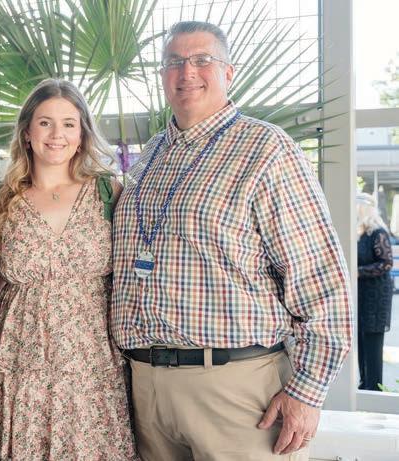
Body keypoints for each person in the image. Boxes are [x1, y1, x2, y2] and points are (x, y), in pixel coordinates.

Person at [111, 21, 352, 461]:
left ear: (228, 72)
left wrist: (307, 392)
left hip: (237, 389)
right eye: (174, 62)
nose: (187, 72)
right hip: (145, 387)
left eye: (202, 60)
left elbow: (319, 277)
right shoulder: (149, 157)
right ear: (162, 75)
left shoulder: (267, 149)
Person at [0, 78, 136, 460]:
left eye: (68, 124)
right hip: (20, 359)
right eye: (45, 122)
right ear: (27, 132)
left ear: (81, 135)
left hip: (92, 361)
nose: (56, 134)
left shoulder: (108, 191)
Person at [357, 192, 393, 391]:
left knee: (372, 343)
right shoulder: (360, 234)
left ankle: (374, 388)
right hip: (361, 295)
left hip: (376, 297)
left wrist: (359, 271)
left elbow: (386, 263)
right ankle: (364, 384)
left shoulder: (378, 233)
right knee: (362, 342)